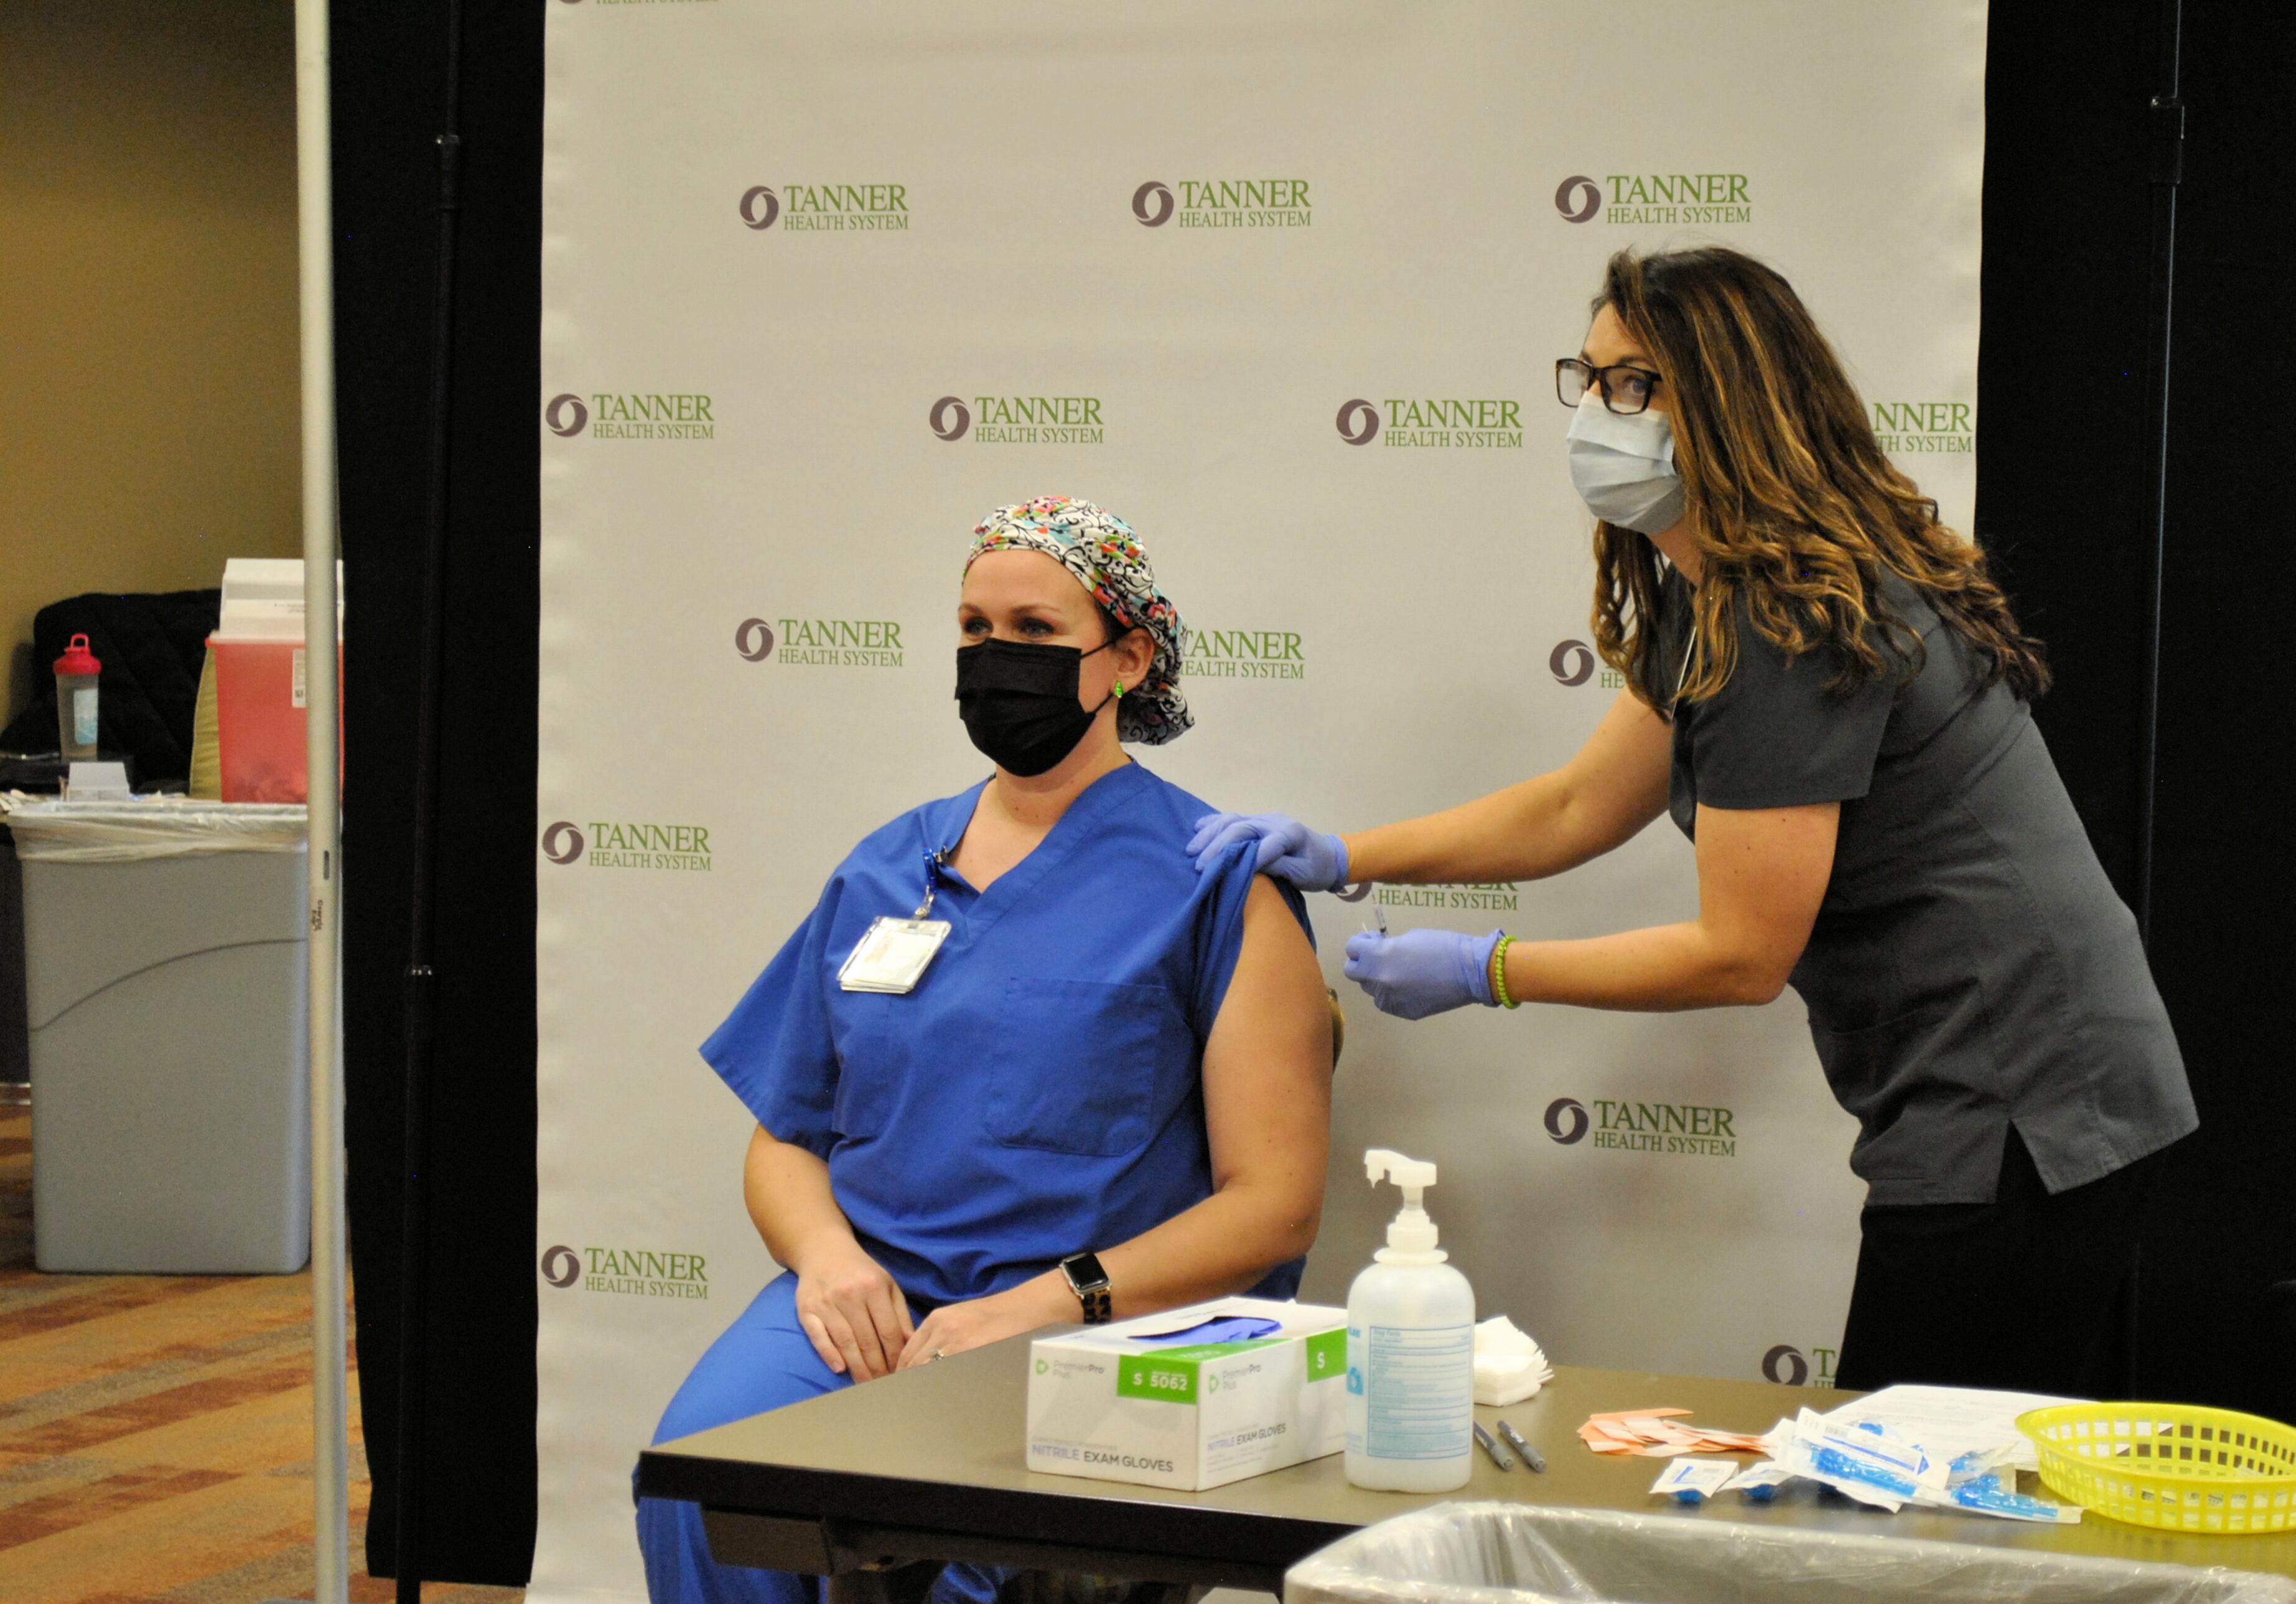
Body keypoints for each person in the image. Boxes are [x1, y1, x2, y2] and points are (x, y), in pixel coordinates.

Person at [1190, 247, 2197, 1399]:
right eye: (1592, 379)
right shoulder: (1718, 592)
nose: (1597, 414)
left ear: (1724, 397)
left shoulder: (1790, 615)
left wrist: (1489, 968)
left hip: (2028, 1106)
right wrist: (1347, 854)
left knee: (1903, 1511)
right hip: (2010, 1090)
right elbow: (1579, 804)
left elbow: (1740, 954)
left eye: (1634, 385)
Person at [639, 497, 1334, 1604]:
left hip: (1094, 1317)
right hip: (873, 1298)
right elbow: (784, 1137)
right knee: (705, 1480)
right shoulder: (888, 867)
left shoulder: (1219, 882)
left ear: (1129, 658)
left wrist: (1045, 1303)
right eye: (974, 628)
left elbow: (1275, 1206)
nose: (996, 656)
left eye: (1037, 631)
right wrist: (827, 1259)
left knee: (955, 1548)